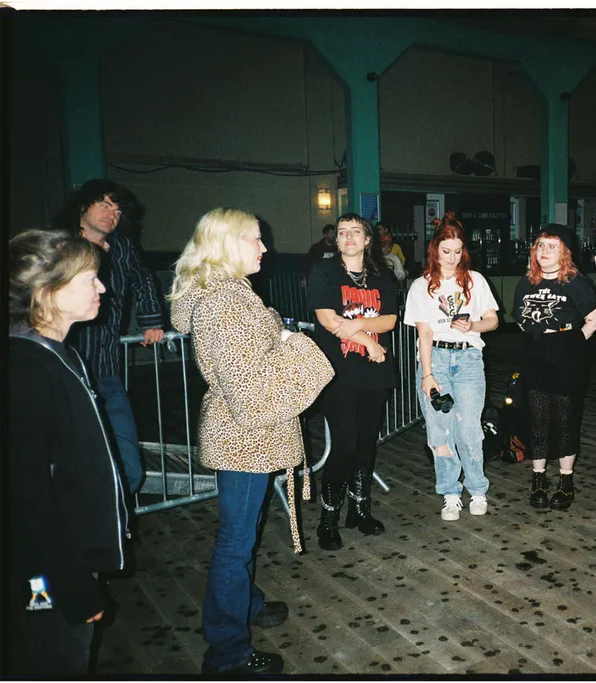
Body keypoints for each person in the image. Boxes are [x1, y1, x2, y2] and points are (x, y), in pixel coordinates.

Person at [168, 208, 334, 675]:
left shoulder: (230, 292)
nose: (265, 248)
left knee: (246, 529)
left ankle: (247, 603)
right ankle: (227, 652)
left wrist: (275, 329)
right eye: (255, 240)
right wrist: (299, 348)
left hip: (248, 433)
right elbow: (252, 389)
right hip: (245, 434)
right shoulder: (223, 302)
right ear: (225, 244)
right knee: (236, 542)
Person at [8, 229, 129, 675]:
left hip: (69, 557)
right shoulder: (22, 372)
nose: (103, 287)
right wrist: (70, 586)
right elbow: (24, 501)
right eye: (90, 279)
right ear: (47, 292)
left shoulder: (62, 355)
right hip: (45, 573)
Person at [51, 179, 165, 498]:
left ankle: (111, 528)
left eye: (117, 209)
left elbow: (143, 280)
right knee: (71, 462)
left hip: (106, 371)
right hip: (64, 372)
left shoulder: (122, 247)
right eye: (104, 204)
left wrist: (151, 321)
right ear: (82, 207)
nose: (112, 213)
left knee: (129, 467)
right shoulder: (59, 245)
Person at [307, 213, 397, 548]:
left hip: (374, 373)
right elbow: (328, 320)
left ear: (367, 239)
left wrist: (356, 327)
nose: (348, 237)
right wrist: (368, 341)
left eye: (355, 232)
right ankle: (328, 518)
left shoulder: (379, 276)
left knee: (365, 444)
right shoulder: (324, 272)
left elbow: (389, 319)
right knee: (345, 444)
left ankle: (359, 510)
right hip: (338, 372)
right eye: (342, 232)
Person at [403, 212, 500, 520]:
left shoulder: (476, 280)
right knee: (439, 430)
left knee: (469, 428)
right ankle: (449, 492)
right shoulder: (421, 286)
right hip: (437, 360)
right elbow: (425, 333)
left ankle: (477, 489)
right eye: (446, 251)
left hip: (469, 358)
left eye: (458, 251)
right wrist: (427, 374)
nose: (452, 257)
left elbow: (493, 320)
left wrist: (472, 325)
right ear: (435, 250)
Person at [513, 224, 596, 511]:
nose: (545, 251)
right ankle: (538, 480)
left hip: (567, 356)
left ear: (564, 251)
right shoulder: (526, 282)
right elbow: (519, 319)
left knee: (565, 421)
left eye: (552, 246)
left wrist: (572, 344)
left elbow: (593, 321)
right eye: (541, 246)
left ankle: (565, 481)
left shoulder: (576, 282)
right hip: (534, 355)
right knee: (536, 420)